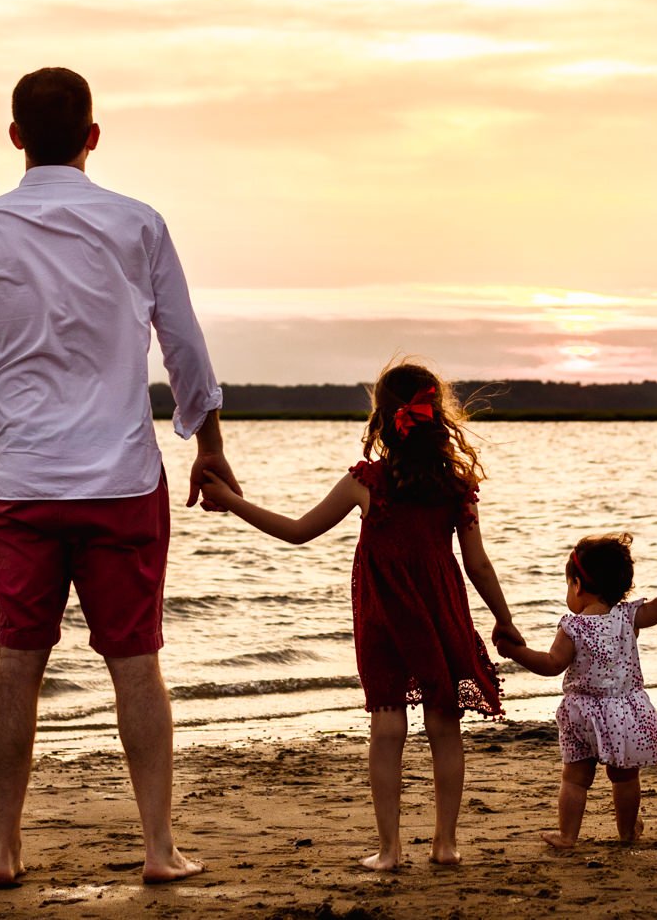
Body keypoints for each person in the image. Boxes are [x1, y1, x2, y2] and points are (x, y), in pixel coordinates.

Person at [0, 66, 232, 887]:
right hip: (120, 479)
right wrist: (208, 442)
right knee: (136, 662)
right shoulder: (138, 224)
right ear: (93, 135)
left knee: (14, 663)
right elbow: (183, 344)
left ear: (15, 136)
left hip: (22, 480)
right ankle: (158, 847)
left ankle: (3, 849)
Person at [195, 361, 520, 871]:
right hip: (441, 614)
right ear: (437, 416)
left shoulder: (367, 481)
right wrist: (504, 619)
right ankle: (446, 844)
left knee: (387, 727)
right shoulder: (455, 486)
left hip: (384, 618)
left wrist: (232, 501)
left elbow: (298, 531)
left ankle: (389, 851)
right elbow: (477, 563)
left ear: (382, 419)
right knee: (444, 726)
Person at [497, 532, 657, 848]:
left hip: (582, 715)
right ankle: (627, 833)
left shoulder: (572, 626)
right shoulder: (628, 616)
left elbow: (551, 664)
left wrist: (515, 652)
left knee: (575, 779)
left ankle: (567, 836)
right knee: (625, 779)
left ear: (577, 585)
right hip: (624, 713)